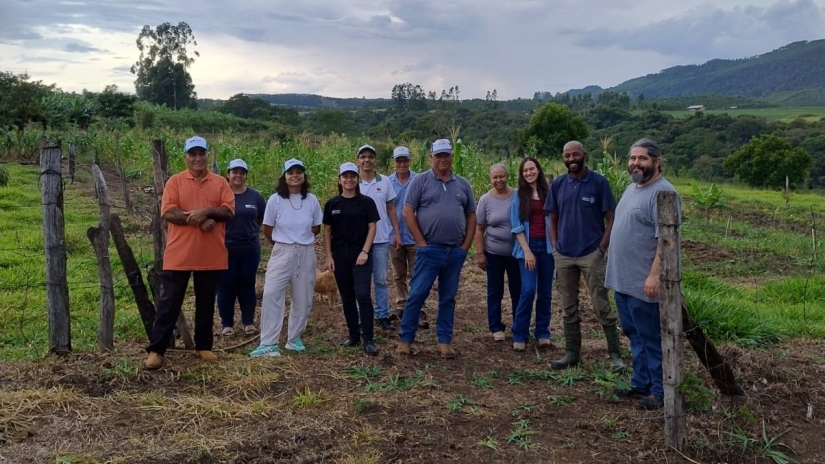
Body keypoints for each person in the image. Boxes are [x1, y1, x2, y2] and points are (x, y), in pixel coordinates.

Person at [144, 135, 234, 369]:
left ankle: (203, 346)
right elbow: (169, 213)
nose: (197, 158)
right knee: (169, 302)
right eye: (192, 154)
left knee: (206, 303)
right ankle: (157, 349)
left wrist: (204, 211)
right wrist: (198, 220)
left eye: (201, 153)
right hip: (179, 256)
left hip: (212, 256)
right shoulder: (175, 182)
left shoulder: (220, 183)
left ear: (207, 155)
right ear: (185, 157)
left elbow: (228, 212)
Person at [606, 138, 680, 411]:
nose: (635, 163)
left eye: (642, 158)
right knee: (633, 333)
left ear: (657, 162)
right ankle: (641, 382)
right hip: (623, 282)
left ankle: (659, 391)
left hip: (644, 283)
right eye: (632, 158)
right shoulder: (631, 188)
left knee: (650, 337)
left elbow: (667, 241)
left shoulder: (663, 194)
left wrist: (654, 276)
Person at [545, 141, 625, 371]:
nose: (571, 159)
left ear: (584, 156)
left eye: (575, 154)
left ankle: (615, 356)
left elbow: (612, 218)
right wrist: (554, 246)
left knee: (601, 305)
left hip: (591, 253)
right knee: (568, 306)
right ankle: (572, 353)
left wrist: (601, 248)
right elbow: (553, 219)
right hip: (564, 255)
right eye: (567, 155)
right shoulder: (559, 184)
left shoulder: (599, 183)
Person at [397, 139, 476, 359]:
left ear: (452, 156)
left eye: (446, 155)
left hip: (454, 252)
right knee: (417, 294)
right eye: (438, 155)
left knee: (448, 297)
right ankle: (406, 339)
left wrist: (465, 245)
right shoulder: (420, 181)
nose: (442, 159)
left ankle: (444, 341)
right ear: (430, 157)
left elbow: (471, 215)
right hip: (429, 250)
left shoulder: (462, 184)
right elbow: (407, 212)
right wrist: (421, 242)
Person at [250, 158, 322, 357]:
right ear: (285, 176)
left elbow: (316, 227)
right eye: (291, 172)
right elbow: (267, 228)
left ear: (303, 176)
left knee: (303, 297)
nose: (295, 175)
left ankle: (294, 338)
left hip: (306, 252)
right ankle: (269, 342)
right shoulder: (275, 199)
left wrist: (301, 241)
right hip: (282, 250)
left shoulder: (312, 200)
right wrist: (283, 243)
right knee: (272, 293)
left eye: (299, 172)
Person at [323, 162, 380, 356]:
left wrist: (365, 251)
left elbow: (372, 227)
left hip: (361, 254)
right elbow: (327, 231)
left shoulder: (366, 202)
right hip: (340, 256)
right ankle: (353, 335)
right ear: (339, 179)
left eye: (352, 176)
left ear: (357, 179)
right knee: (347, 297)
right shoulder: (332, 204)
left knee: (363, 295)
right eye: (345, 176)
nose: (349, 180)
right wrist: (329, 256)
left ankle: (369, 339)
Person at [509, 157, 554, 352]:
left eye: (531, 169)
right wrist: (527, 251)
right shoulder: (519, 196)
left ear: (538, 170)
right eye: (525, 171)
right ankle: (520, 333)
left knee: (545, 292)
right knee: (527, 291)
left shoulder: (549, 193)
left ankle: (543, 332)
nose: (529, 173)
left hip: (547, 248)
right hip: (527, 248)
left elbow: (556, 220)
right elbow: (516, 225)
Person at [217, 159, 266, 337]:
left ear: (246, 175)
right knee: (225, 287)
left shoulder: (255, 196)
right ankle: (227, 324)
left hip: (250, 249)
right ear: (228, 174)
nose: (238, 175)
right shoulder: (220, 195)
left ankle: (248, 322)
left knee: (247, 285)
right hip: (225, 249)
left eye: (242, 172)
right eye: (234, 172)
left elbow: (261, 219)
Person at [356, 144, 402, 331]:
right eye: (363, 156)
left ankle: (382, 314)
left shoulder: (384, 182)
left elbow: (391, 208)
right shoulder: (352, 181)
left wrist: (397, 232)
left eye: (370, 157)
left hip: (381, 239)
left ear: (375, 160)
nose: (367, 160)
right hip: (358, 241)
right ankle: (362, 315)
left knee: (381, 279)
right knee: (361, 281)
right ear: (358, 160)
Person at [474, 163, 521, 342]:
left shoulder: (517, 196)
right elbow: (479, 229)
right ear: (490, 178)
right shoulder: (485, 200)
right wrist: (480, 253)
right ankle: (496, 326)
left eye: (501, 176)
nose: (498, 180)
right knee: (495, 290)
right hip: (493, 252)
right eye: (495, 177)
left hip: (516, 253)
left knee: (518, 289)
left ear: (507, 176)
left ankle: (519, 325)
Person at [388, 145, 428, 329]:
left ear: (409, 161)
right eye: (399, 160)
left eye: (405, 160)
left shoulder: (419, 180)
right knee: (398, 274)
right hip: (393, 235)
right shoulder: (388, 182)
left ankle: (419, 309)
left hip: (415, 235)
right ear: (394, 162)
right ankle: (401, 304)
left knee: (417, 274)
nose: (402, 163)